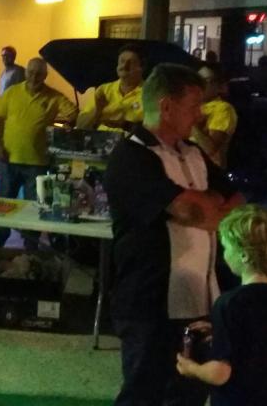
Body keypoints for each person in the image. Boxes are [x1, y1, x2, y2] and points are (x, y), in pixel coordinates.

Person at [104, 63, 243, 406]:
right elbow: (196, 212)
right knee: (144, 394)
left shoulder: (193, 153)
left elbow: (237, 202)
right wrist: (211, 206)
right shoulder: (132, 156)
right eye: (194, 105)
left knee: (190, 394)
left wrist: (210, 208)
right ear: (167, 107)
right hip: (150, 305)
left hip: (201, 301)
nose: (199, 115)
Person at [176, 205, 267, 406]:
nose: (225, 254)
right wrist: (221, 330)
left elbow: (220, 374)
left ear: (244, 255)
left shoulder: (229, 303)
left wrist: (191, 368)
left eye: (227, 248)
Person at [0, 58, 76, 251]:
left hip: (37, 163)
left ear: (45, 76)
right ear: (26, 72)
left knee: (33, 209)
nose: (34, 77)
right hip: (9, 160)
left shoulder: (54, 97)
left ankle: (31, 246)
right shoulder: (12, 92)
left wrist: (63, 124)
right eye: (31, 72)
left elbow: (73, 113)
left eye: (39, 74)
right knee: (3, 205)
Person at [78, 43, 145, 132]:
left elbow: (155, 133)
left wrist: (125, 125)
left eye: (131, 62)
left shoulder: (151, 93)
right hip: (100, 139)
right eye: (122, 61)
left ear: (141, 67)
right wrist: (97, 109)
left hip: (131, 140)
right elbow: (80, 126)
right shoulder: (104, 90)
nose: (124, 66)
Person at [191, 63, 237, 169]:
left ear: (219, 86)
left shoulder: (223, 109)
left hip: (208, 172)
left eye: (205, 81)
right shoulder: (191, 106)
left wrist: (191, 123)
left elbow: (210, 150)